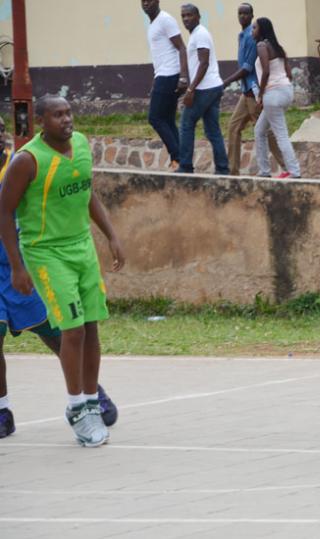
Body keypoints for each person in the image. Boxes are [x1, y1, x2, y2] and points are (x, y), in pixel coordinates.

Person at [0, 96, 125, 447]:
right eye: (57, 115)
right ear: (40, 121)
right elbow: (4, 212)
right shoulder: (29, 160)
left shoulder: (82, 145)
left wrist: (112, 236)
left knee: (90, 326)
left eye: (69, 112)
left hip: (81, 247)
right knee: (70, 330)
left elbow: (87, 193)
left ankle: (90, 400)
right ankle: (76, 408)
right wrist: (17, 266)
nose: (66, 119)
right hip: (46, 251)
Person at [222, 3, 285, 177]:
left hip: (254, 91)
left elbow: (247, 68)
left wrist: (226, 82)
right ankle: (232, 171)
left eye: (246, 13)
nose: (242, 16)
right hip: (246, 91)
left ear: (251, 15)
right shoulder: (241, 35)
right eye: (240, 13)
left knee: (267, 131)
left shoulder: (251, 36)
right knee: (234, 127)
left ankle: (287, 166)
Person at [176, 3, 229, 175]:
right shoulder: (196, 35)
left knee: (186, 124)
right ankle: (222, 169)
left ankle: (185, 166)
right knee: (213, 130)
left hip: (205, 88)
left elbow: (204, 63)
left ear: (198, 16)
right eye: (183, 15)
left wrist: (191, 90)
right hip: (212, 87)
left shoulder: (201, 34)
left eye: (189, 15)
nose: (186, 19)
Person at [141, 0, 189, 170]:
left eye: (149, 0)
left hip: (170, 74)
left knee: (155, 118)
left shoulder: (165, 20)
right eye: (143, 1)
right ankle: (181, 160)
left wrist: (184, 77)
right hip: (162, 74)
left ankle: (177, 157)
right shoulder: (153, 24)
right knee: (167, 120)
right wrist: (156, 79)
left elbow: (182, 48)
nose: (146, 3)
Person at [252, 17, 301, 179]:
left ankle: (295, 172)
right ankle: (264, 171)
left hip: (272, 94)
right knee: (259, 130)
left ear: (261, 30)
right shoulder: (279, 48)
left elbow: (265, 71)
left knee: (281, 135)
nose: (252, 31)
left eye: (254, 28)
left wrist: (261, 94)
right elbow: (288, 73)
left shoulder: (261, 45)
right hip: (286, 91)